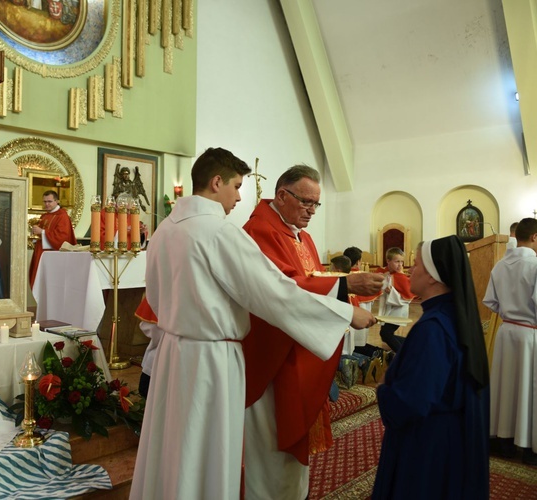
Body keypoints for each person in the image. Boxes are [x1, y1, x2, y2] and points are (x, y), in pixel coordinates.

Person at [129, 148, 376, 500]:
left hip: (172, 354)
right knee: (206, 451)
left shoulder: (164, 230)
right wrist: (346, 313)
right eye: (236, 186)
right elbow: (273, 292)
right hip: (211, 359)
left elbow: (153, 298)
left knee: (173, 447)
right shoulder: (219, 233)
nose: (240, 196)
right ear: (217, 182)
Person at [240, 165, 384, 500]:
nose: (311, 211)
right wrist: (346, 287)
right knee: (269, 442)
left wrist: (342, 298)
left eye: (316, 204)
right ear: (282, 195)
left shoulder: (300, 236)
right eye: (306, 202)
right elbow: (284, 289)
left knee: (288, 446)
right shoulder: (261, 230)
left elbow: (313, 279)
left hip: (296, 348)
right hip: (271, 353)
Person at [372, 236, 490, 499]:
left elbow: (412, 401)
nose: (410, 270)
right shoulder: (452, 316)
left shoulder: (433, 328)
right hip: (448, 436)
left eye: (415, 264)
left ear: (434, 276)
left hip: (429, 445)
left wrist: (383, 390)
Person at [484, 217, 537, 466]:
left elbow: (491, 301)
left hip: (508, 332)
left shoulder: (500, 265)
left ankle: (504, 440)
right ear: (534, 237)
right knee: (534, 388)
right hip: (534, 335)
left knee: (508, 387)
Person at [28, 190, 76, 289]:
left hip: (54, 257)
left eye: (49, 201)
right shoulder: (44, 216)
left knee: (52, 285)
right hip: (41, 253)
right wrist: (35, 234)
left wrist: (42, 232)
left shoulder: (62, 216)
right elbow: (40, 235)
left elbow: (63, 238)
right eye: (45, 202)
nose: (46, 204)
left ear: (57, 201)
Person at [376, 247, 415, 353]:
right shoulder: (387, 273)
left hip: (398, 311)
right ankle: (412, 344)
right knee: (385, 335)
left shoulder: (401, 277)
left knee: (386, 334)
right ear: (388, 261)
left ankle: (402, 354)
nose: (400, 265)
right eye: (397, 261)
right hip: (390, 310)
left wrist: (392, 292)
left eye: (402, 262)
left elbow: (407, 298)